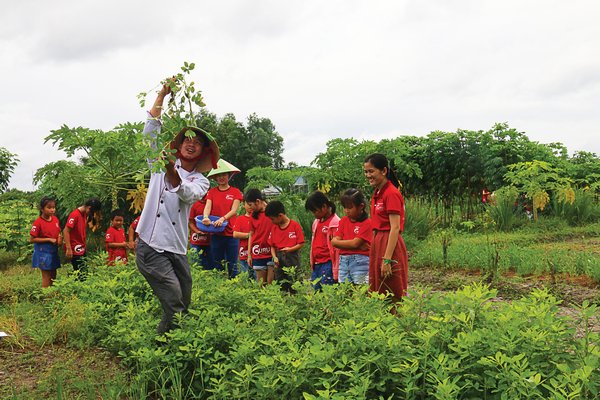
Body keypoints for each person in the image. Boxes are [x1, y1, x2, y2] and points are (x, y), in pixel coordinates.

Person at [135, 79, 218, 335]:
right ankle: (165, 351)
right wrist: (162, 93)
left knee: (183, 301)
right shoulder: (158, 163)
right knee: (174, 302)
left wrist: (170, 168)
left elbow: (186, 192)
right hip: (151, 243)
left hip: (178, 247)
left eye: (197, 142)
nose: (191, 143)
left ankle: (172, 344)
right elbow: (150, 130)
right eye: (187, 139)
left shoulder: (201, 181)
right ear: (179, 145)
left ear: (203, 151)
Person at [363, 153, 408, 302]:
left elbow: (395, 228)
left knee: (392, 287)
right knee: (378, 286)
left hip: (389, 243)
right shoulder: (377, 193)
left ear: (383, 171)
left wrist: (387, 259)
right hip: (377, 242)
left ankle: (398, 323)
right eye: (366, 172)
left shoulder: (391, 193)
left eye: (371, 171)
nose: (368, 175)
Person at [201, 159, 243, 278]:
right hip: (216, 232)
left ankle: (234, 286)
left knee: (232, 264)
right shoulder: (212, 192)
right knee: (217, 262)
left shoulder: (235, 192)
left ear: (229, 175)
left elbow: (234, 210)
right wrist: (205, 217)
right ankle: (220, 286)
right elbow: (207, 207)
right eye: (218, 175)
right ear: (215, 178)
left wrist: (222, 219)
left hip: (231, 233)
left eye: (224, 174)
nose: (221, 177)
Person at [331, 188, 371, 285]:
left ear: (361, 206)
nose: (346, 211)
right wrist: (352, 243)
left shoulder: (367, 223)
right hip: (343, 261)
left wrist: (341, 243)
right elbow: (333, 242)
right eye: (344, 207)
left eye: (349, 208)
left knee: (360, 289)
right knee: (345, 290)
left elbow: (354, 243)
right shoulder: (343, 221)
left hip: (360, 261)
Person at [265, 200, 305, 293]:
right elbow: (272, 246)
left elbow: (301, 243)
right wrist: (274, 257)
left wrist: (290, 249)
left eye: (272, 219)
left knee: (294, 280)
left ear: (280, 216)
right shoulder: (274, 228)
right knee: (280, 282)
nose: (272, 221)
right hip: (279, 258)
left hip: (292, 257)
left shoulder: (294, 225)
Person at [305, 191, 340, 290]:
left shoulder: (336, 223)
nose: (314, 214)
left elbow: (337, 250)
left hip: (328, 263)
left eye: (315, 211)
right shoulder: (316, 222)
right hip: (317, 264)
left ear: (324, 207)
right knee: (316, 291)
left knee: (327, 292)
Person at [63, 197, 102, 278]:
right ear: (89, 208)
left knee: (83, 272)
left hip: (81, 248)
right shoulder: (75, 215)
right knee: (80, 273)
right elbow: (66, 231)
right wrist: (68, 248)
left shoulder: (84, 215)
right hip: (75, 248)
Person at [29, 197, 62, 287]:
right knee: (46, 275)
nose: (52, 210)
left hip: (53, 251)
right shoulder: (38, 222)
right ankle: (46, 296)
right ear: (42, 209)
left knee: (53, 273)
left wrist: (59, 238)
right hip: (43, 251)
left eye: (53, 207)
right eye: (49, 207)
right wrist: (48, 239)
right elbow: (32, 239)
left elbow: (58, 232)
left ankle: (53, 293)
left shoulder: (55, 219)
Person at [244, 189, 273, 284]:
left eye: (251, 204)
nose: (250, 208)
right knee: (261, 284)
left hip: (272, 252)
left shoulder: (273, 212)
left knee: (272, 284)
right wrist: (249, 255)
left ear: (258, 201)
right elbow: (251, 235)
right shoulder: (253, 216)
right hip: (258, 252)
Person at [188, 196, 213, 269]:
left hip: (210, 240)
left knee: (211, 264)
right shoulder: (194, 204)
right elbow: (191, 222)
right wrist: (197, 231)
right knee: (196, 263)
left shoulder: (212, 204)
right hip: (196, 240)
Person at [232, 201, 255, 279]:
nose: (249, 206)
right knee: (245, 275)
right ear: (243, 205)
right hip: (244, 252)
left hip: (256, 252)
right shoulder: (240, 219)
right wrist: (249, 235)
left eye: (251, 204)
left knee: (256, 277)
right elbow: (235, 234)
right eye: (247, 204)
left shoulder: (258, 219)